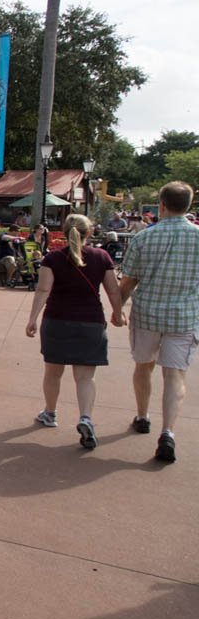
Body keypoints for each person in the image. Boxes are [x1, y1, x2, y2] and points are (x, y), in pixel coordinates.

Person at [117, 181, 199, 463]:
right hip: (184, 316)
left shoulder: (143, 238)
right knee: (175, 375)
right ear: (187, 205)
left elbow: (128, 282)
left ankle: (142, 416)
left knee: (144, 366)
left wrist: (117, 309)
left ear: (161, 205)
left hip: (148, 314)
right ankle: (168, 432)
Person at [25, 214, 123, 449]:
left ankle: (50, 413)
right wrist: (119, 314)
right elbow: (113, 290)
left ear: (65, 231)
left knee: (53, 372)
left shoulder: (53, 258)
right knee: (85, 377)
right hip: (91, 321)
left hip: (57, 320)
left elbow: (43, 290)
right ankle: (85, 417)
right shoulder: (102, 257)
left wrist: (32, 319)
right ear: (89, 233)